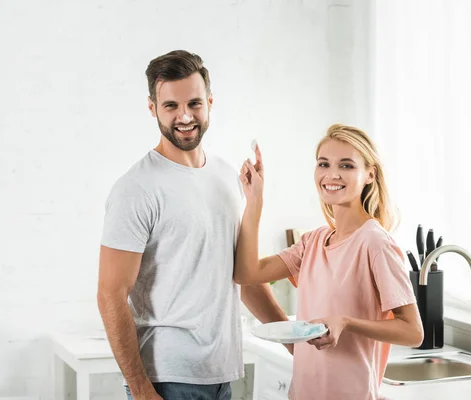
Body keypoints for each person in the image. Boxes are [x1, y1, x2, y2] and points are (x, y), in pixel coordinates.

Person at [97, 50, 289, 400]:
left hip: (221, 374)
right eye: (171, 106)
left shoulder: (226, 176)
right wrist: (141, 390)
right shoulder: (136, 189)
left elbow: (243, 278)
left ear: (210, 103)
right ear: (153, 108)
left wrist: (295, 342)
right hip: (167, 379)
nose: (184, 116)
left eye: (194, 103)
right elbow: (110, 295)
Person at [234, 123, 424, 399]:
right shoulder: (314, 241)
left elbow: (413, 332)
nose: (332, 174)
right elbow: (247, 274)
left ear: (370, 174)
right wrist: (255, 200)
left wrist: (347, 322)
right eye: (324, 164)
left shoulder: (375, 242)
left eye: (347, 166)